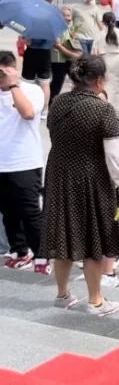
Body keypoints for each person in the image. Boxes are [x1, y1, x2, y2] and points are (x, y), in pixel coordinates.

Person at [40, 56, 119, 316]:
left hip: (58, 175)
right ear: (100, 81)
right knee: (93, 240)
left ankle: (62, 294)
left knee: (64, 236)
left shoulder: (57, 102)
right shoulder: (103, 109)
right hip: (91, 179)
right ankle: (96, 300)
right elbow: (114, 155)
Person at [0, 51, 47, 273]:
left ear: (12, 69)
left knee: (30, 211)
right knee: (8, 211)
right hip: (2, 162)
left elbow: (28, 113)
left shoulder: (31, 90)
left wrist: (12, 86)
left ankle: (41, 255)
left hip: (24, 161)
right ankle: (20, 251)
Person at [93, 12, 119, 112]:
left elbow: (94, 52)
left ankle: (107, 107)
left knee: (106, 85)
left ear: (103, 22)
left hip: (104, 60)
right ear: (115, 21)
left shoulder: (99, 35)